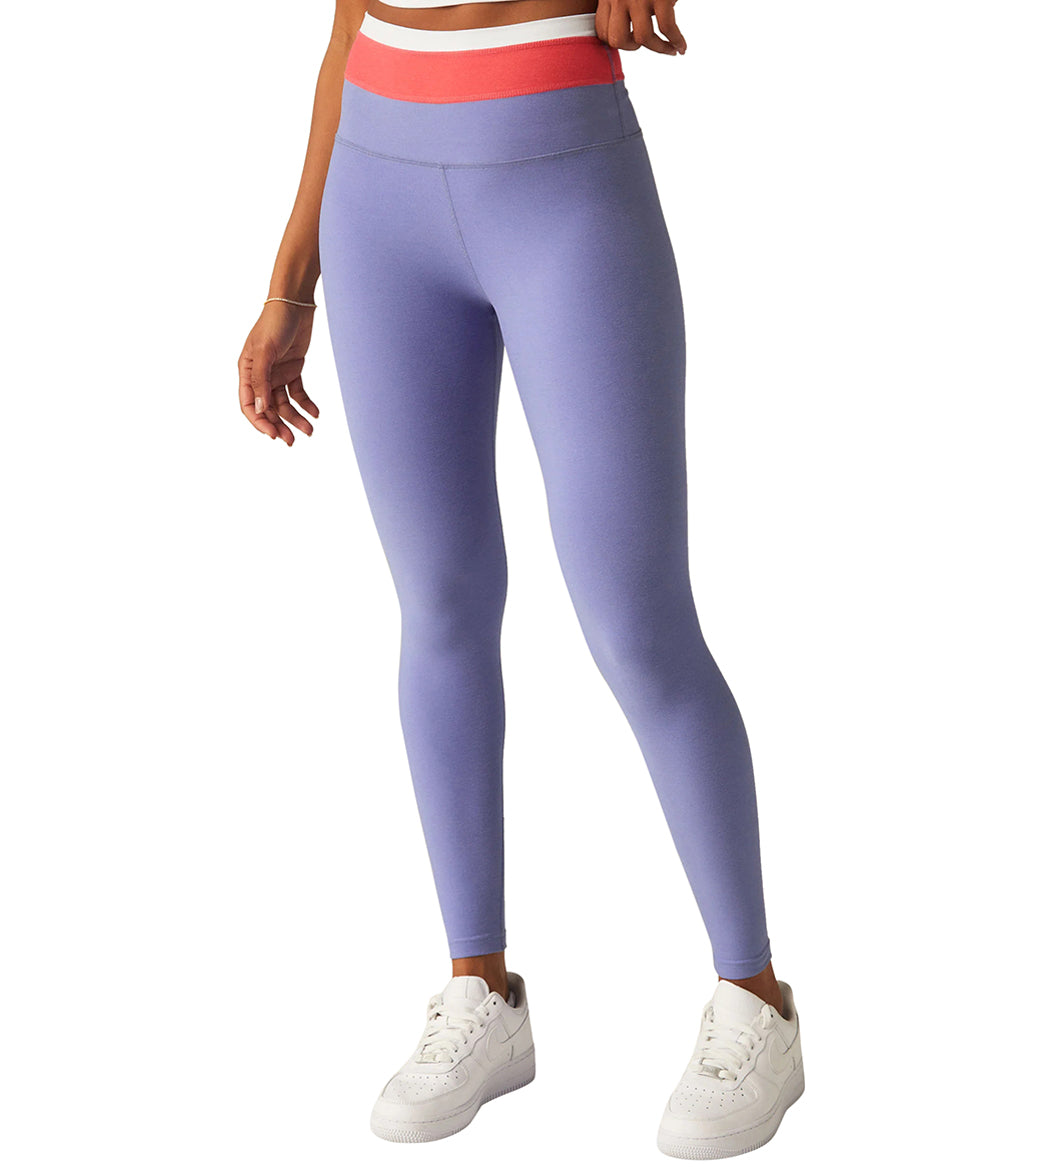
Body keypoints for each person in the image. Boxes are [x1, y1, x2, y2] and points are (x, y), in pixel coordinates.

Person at [236, 0, 804, 1159]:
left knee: (635, 619)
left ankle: (757, 999)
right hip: (375, 181)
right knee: (438, 602)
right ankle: (480, 991)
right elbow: (345, 24)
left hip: (557, 168)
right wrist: (292, 278)